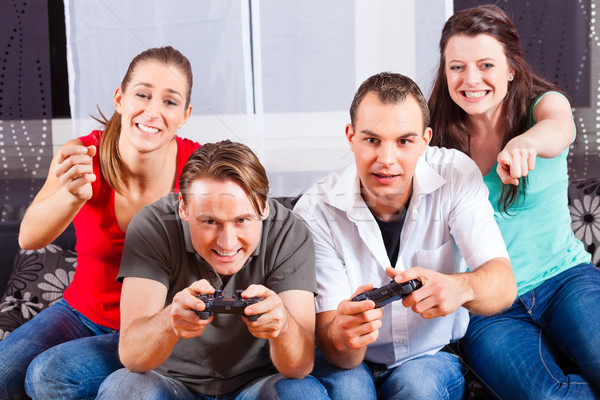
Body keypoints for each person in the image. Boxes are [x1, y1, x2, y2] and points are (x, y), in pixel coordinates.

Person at [293, 72, 516, 400]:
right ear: (350, 137)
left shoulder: (455, 175)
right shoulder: (314, 211)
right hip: (353, 363)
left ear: (425, 140)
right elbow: (338, 350)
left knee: (419, 390)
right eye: (371, 140)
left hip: (430, 354)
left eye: (404, 141)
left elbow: (503, 284)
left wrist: (459, 286)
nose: (386, 159)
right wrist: (344, 336)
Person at [0, 46, 200, 400]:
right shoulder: (81, 154)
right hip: (81, 313)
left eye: (169, 102)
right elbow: (29, 238)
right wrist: (73, 196)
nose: (153, 111)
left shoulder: (199, 168)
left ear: (185, 114)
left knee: (45, 376)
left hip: (153, 329)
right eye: (142, 94)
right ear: (120, 98)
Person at [428, 4, 600, 399]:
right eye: (457, 67)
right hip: (488, 306)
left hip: (565, 278)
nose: (471, 79)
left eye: (485, 64)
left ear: (510, 68)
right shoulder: (432, 137)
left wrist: (526, 143)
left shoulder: (542, 107)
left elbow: (560, 128)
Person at [96, 140, 328, 399]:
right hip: (170, 381)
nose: (227, 243)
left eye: (242, 220)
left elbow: (300, 366)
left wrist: (283, 327)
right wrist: (168, 322)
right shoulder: (153, 225)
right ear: (183, 208)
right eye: (209, 221)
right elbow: (133, 359)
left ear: (264, 207)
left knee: (302, 392)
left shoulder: (289, 232)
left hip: (257, 383)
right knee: (124, 388)